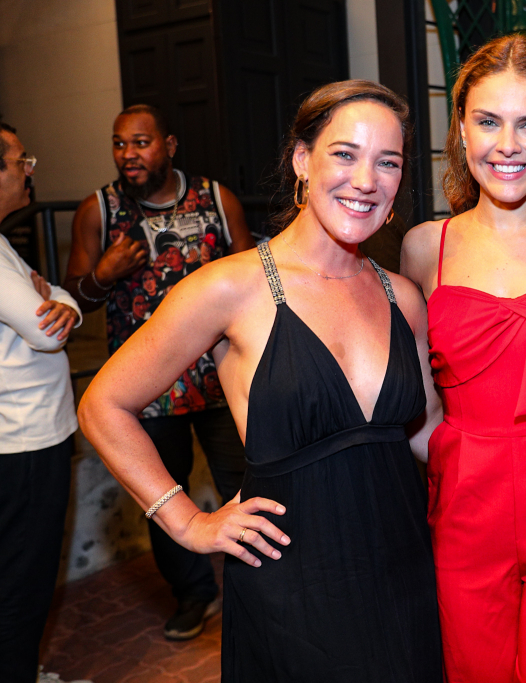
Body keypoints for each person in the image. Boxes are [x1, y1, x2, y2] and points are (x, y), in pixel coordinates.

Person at [78, 81, 443, 682]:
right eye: (345, 154)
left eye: (388, 162)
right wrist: (186, 522)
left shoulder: (401, 295)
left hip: (402, 571)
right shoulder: (228, 287)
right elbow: (103, 404)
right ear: (302, 160)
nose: (366, 180)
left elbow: (426, 430)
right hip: (290, 585)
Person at [402, 34, 526, 683]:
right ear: (461, 128)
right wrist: (462, 464)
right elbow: (419, 405)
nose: (507, 145)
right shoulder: (427, 247)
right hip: (464, 516)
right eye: (488, 120)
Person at [64, 104, 255, 640]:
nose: (129, 155)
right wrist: (103, 275)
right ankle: (195, 594)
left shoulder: (218, 200)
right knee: (165, 498)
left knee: (249, 486)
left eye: (141, 143)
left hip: (222, 383)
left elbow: (254, 278)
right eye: (119, 144)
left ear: (169, 145)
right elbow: (76, 297)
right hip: (146, 393)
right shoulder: (97, 210)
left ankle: (263, 593)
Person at [0, 124, 83, 681]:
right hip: (24, 442)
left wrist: (59, 299)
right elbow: (49, 330)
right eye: (17, 161)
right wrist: (57, 299)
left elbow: (52, 306)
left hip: (25, 436)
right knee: (22, 581)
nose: (30, 170)